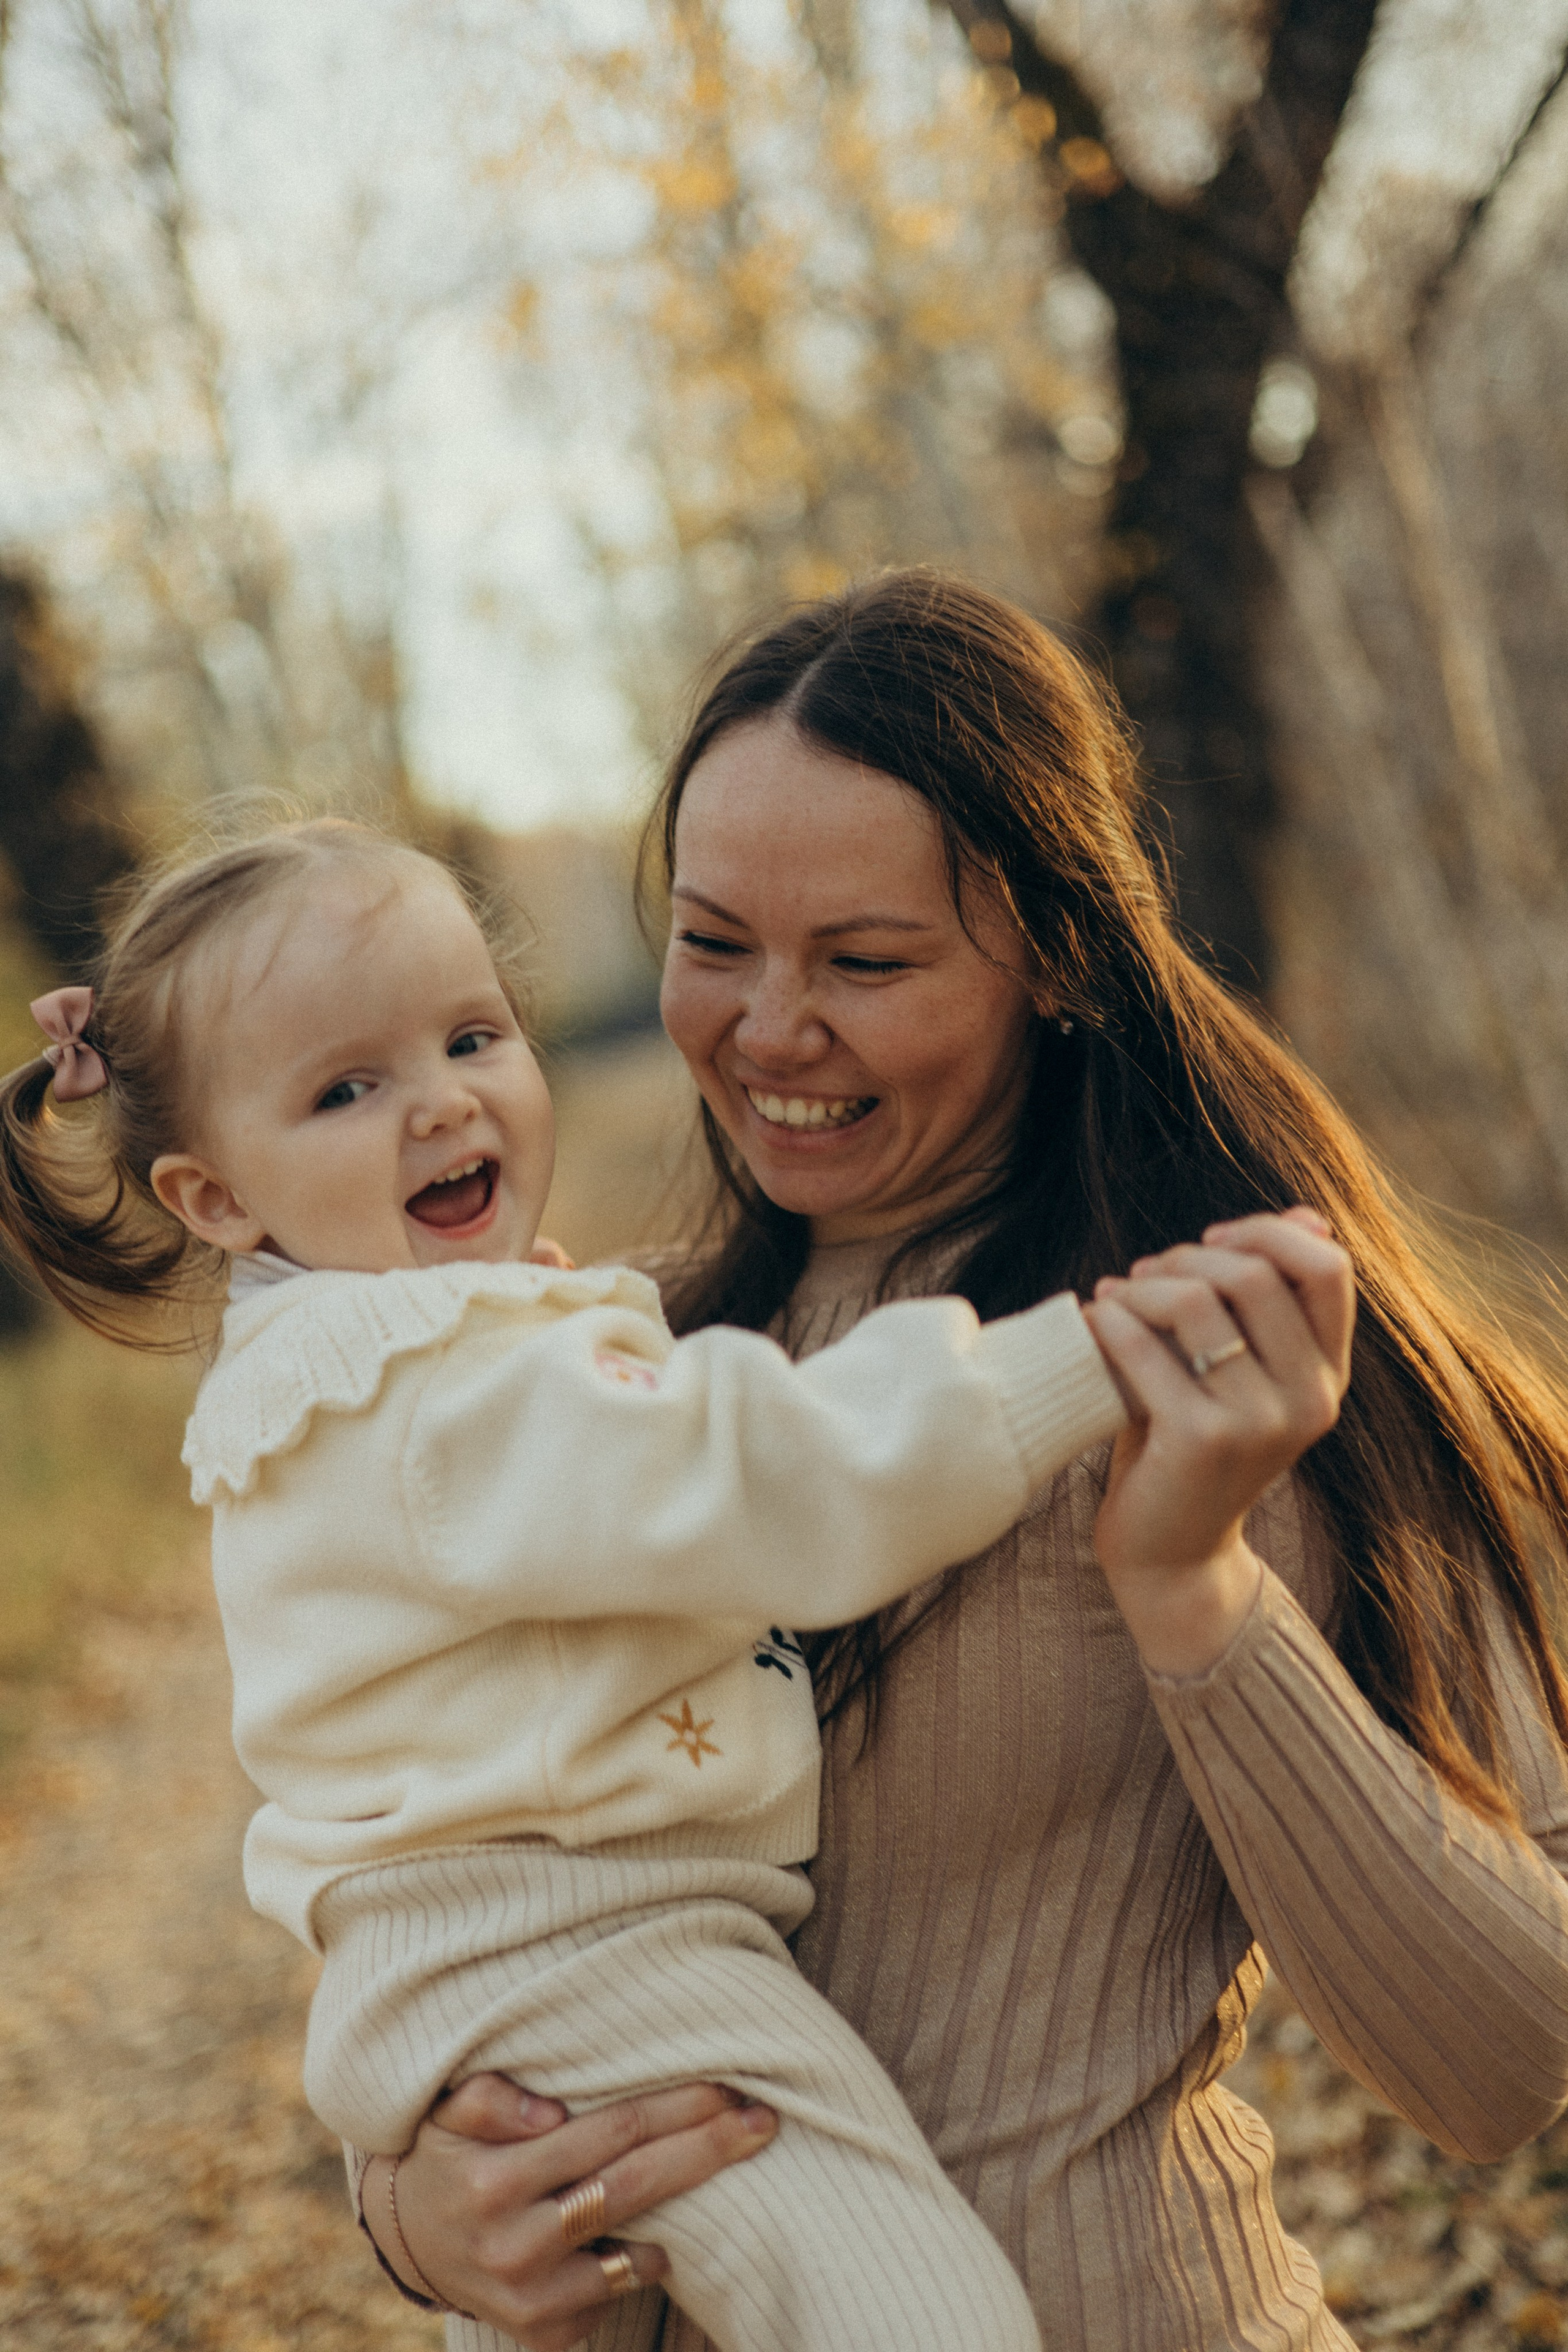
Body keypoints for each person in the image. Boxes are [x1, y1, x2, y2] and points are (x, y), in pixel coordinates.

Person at [365, 571, 1568, 2352]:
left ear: (1063, 956)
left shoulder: (1235, 1375)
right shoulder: (608, 1388)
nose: (769, 1031)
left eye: (865, 962)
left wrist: (1194, 1590)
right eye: (714, 944)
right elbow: (428, 1899)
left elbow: (1502, 2067)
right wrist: (416, 2206)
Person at [0, 817, 1320, 2352]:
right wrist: (1078, 1356)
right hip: (578, 1951)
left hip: (527, 1968)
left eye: (470, 1035)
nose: (438, 1104)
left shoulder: (403, 1355)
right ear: (217, 1203)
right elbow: (762, 1476)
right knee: (918, 2311)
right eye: (346, 1089)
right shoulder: (428, 1391)